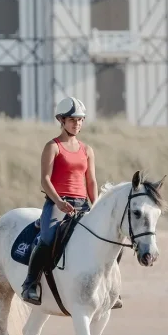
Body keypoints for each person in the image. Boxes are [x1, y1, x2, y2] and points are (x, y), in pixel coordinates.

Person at [19, 96, 115, 308]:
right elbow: (45, 180)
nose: (77, 124)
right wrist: (59, 202)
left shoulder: (87, 150)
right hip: (57, 204)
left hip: (83, 205)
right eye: (72, 120)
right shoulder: (52, 147)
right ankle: (30, 283)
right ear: (61, 120)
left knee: (110, 238)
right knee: (47, 238)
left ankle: (109, 288)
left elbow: (91, 180)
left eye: (80, 120)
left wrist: (96, 206)